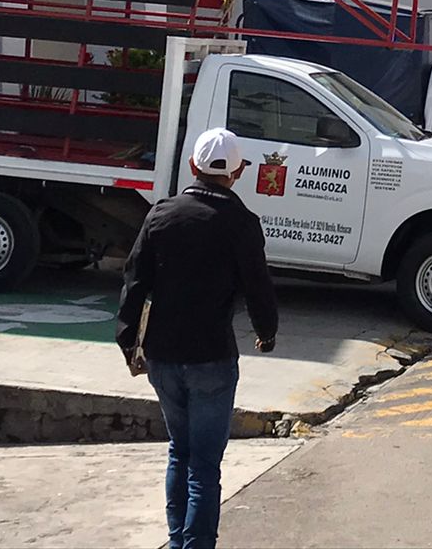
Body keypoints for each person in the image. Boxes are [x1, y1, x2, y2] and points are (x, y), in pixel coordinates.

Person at [116, 128, 278, 549]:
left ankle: (176, 541)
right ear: (238, 173)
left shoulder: (161, 214)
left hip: (163, 357)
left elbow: (134, 279)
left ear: (192, 166)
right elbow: (258, 287)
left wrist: (128, 336)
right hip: (212, 358)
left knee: (179, 451)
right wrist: (267, 332)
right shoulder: (242, 224)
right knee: (205, 465)